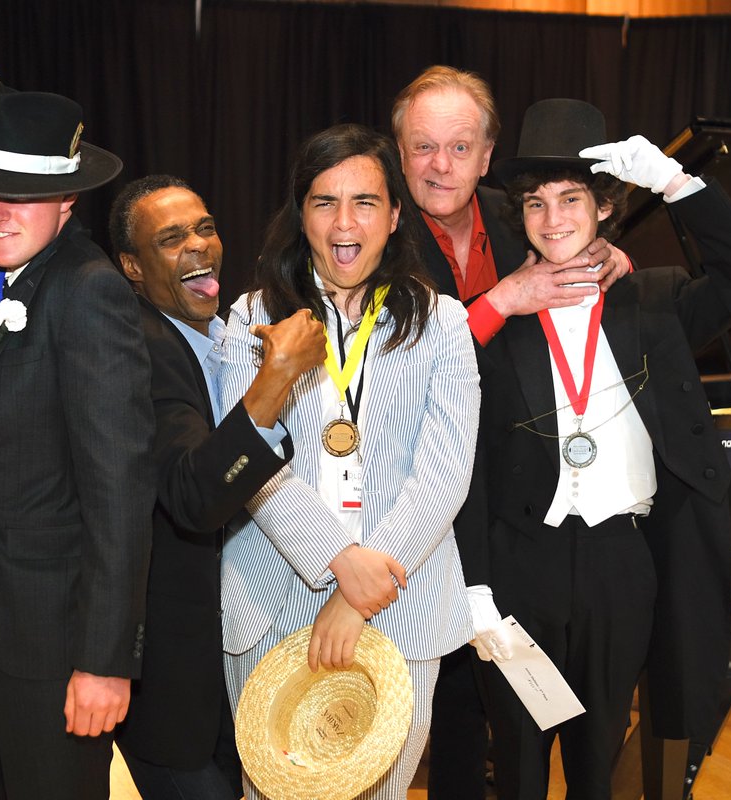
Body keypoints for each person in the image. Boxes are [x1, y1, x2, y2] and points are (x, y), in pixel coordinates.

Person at [476, 98, 731, 799]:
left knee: (600, 758)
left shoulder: (656, 301)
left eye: (572, 199)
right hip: (525, 562)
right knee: (517, 761)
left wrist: (676, 183)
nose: (553, 220)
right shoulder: (501, 314)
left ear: (606, 205)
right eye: (536, 204)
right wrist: (476, 586)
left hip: (623, 564)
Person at [0, 64, 156, 799]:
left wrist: (106, 661)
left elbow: (120, 494)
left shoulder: (92, 295)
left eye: (25, 197)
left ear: (69, 200)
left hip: (54, 636)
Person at [390, 66, 633, 799]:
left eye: (459, 147)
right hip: (422, 513)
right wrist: (502, 299)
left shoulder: (518, 214)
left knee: (504, 721)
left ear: (489, 154)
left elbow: (574, 267)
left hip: (509, 513)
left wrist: (613, 257)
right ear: (399, 154)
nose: (441, 165)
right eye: (423, 147)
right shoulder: (379, 231)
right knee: (441, 724)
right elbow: (403, 373)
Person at [220, 123, 480, 799]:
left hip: (402, 598)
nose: (344, 222)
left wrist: (357, 596)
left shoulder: (443, 323)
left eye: (365, 201)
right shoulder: (249, 320)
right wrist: (340, 561)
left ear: (395, 215)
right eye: (323, 201)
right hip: (271, 597)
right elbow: (247, 462)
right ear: (298, 214)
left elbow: (445, 473)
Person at [107, 174, 326, 799]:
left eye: (204, 228)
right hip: (169, 683)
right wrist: (276, 379)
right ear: (132, 266)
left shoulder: (221, 334)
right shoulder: (139, 350)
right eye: (171, 239)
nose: (198, 246)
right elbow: (193, 499)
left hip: (227, 670)